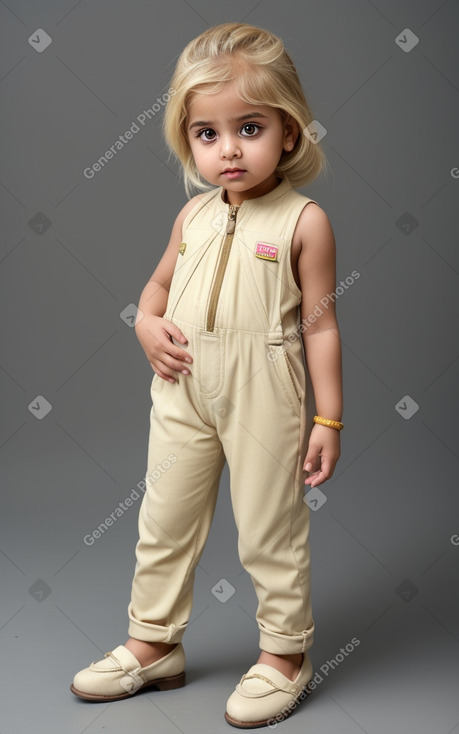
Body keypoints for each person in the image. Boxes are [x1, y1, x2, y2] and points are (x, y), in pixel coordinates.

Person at [70, 21, 343, 728]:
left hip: (264, 390)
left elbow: (321, 326)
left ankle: (285, 653)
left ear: (288, 131)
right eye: (206, 133)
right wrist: (143, 325)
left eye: (248, 127)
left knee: (267, 529)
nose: (227, 149)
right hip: (183, 388)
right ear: (187, 140)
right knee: (163, 520)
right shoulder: (190, 216)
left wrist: (327, 417)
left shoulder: (302, 221)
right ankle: (153, 643)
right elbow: (154, 293)